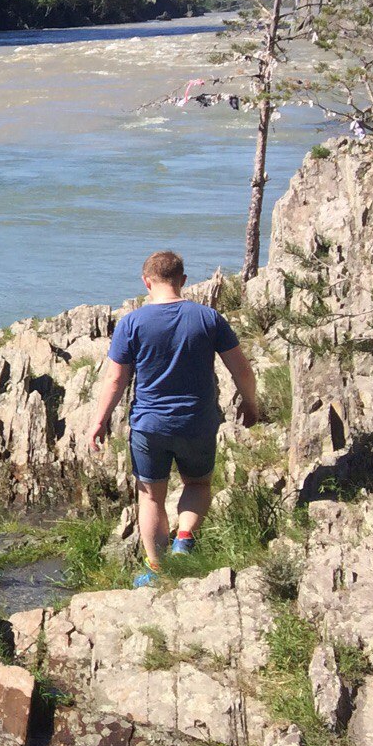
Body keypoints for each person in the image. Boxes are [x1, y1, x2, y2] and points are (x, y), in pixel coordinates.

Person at [87, 250, 260, 587]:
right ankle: (184, 538)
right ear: (183, 280)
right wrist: (250, 404)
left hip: (150, 426)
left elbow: (115, 380)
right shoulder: (208, 318)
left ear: (146, 281)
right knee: (197, 483)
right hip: (198, 421)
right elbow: (241, 369)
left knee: (151, 495)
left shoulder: (132, 323)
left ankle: (156, 569)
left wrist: (99, 420)